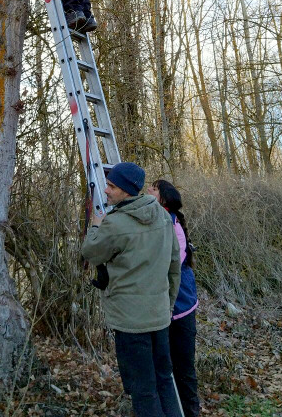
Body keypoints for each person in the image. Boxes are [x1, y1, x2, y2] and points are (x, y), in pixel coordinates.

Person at [81, 162, 183, 417]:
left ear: (127, 191)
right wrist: (167, 306)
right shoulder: (162, 215)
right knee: (164, 380)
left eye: (112, 186)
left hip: (131, 323)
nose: (105, 191)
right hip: (159, 317)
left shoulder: (115, 224)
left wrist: (95, 226)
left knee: (143, 390)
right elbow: (174, 267)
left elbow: (91, 252)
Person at [148, 179, 200, 417]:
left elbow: (171, 265)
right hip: (163, 308)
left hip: (180, 308)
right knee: (164, 367)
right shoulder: (153, 218)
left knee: (183, 368)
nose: (149, 190)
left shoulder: (172, 224)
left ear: (164, 198)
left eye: (154, 188)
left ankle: (190, 412)